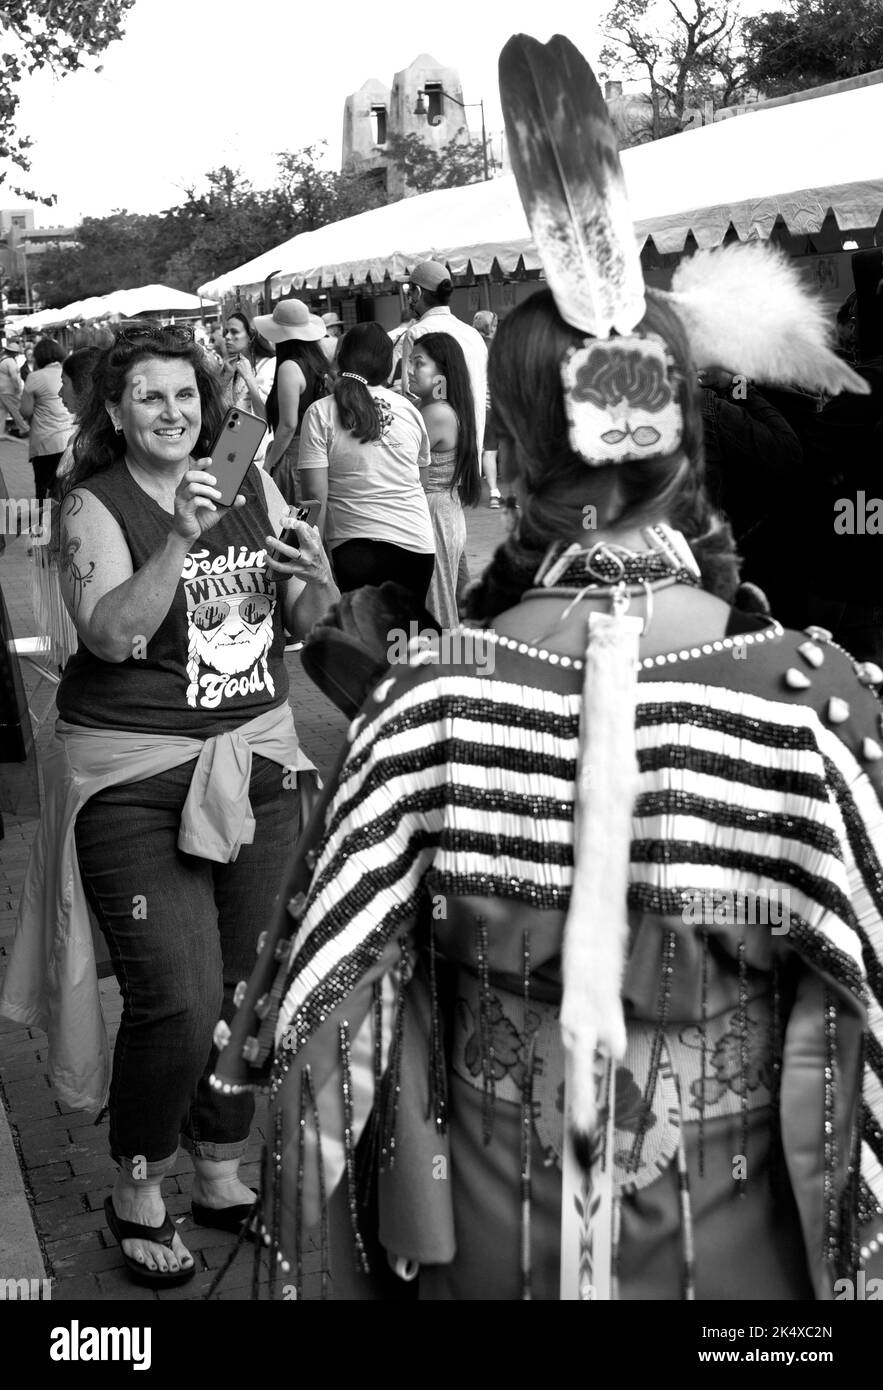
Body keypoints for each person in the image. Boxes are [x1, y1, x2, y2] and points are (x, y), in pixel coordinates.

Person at [216, 33, 883, 1304]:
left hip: (488, 1243)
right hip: (744, 1275)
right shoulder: (815, 700)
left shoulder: (431, 701)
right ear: (683, 447)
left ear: (509, 461)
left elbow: (319, 1019)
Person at [0, 321, 339, 1288]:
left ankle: (220, 1164)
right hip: (134, 778)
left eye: (186, 396)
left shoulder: (252, 477)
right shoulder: (88, 507)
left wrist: (316, 579)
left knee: (248, 988)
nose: (173, 413)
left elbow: (303, 627)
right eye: (150, 397)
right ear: (112, 410)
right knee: (180, 1000)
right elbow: (110, 637)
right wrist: (185, 535)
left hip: (259, 763)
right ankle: (139, 1182)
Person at [298, 322, 435, 613]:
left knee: (365, 646)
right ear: (387, 365)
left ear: (341, 358)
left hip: (354, 550)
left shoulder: (320, 412)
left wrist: (316, 557)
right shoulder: (409, 410)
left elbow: (314, 497)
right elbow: (419, 480)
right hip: (416, 547)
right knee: (407, 643)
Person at [407, 332, 479, 628]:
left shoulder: (435, 413)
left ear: (442, 373)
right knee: (447, 597)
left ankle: (441, 667)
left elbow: (403, 466)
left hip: (434, 514)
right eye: (410, 362)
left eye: (419, 363)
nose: (410, 371)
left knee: (435, 605)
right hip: (445, 511)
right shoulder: (440, 407)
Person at [395, 261, 487, 449]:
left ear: (418, 293)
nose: (409, 299)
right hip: (474, 443)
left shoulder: (417, 332)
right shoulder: (473, 333)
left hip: (438, 448)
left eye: (410, 293)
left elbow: (410, 390)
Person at [257, 300, 328, 506]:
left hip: (292, 457)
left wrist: (269, 464)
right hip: (316, 453)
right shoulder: (316, 363)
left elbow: (288, 425)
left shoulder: (289, 367)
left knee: (288, 523)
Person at [19, 337, 75, 501]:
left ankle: (45, 523)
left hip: (44, 443)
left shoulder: (34, 377)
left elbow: (26, 411)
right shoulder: (69, 372)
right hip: (69, 439)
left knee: (43, 488)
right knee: (66, 486)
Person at [220, 310, 276, 467]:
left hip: (260, 457)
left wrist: (249, 379)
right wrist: (225, 378)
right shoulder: (231, 367)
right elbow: (220, 411)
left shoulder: (269, 365)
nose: (227, 337)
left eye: (234, 332)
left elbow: (266, 416)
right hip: (231, 453)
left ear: (251, 336)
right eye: (226, 332)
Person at [473, 310, 501, 507]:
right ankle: (505, 495)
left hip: (480, 405)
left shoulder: (471, 347)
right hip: (499, 404)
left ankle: (493, 492)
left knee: (485, 450)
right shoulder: (500, 348)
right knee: (501, 450)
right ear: (491, 326)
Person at [0, 338, 29, 439]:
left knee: (2, 412)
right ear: (13, 353)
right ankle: (25, 429)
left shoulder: (2, 360)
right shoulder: (10, 361)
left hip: (2, 390)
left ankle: (0, 432)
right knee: (15, 410)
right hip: (9, 391)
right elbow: (14, 377)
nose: (16, 355)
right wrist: (18, 388)